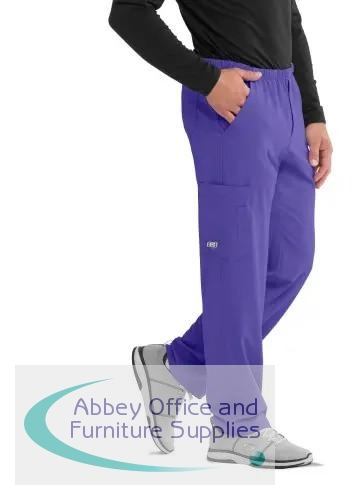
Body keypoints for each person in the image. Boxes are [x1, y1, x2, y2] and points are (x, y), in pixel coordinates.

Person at [109, 0, 332, 468]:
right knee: (236, 270)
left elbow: (288, 14)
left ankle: (178, 365)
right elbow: (128, 12)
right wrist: (207, 80)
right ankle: (236, 427)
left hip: (286, 97)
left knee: (289, 260)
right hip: (231, 101)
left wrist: (312, 112)